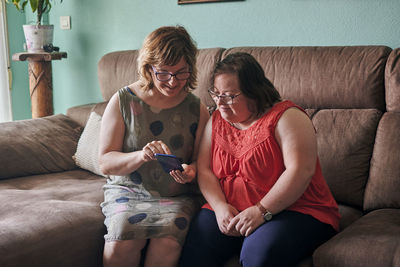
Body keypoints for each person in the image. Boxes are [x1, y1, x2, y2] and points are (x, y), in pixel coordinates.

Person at [179, 52, 340, 267]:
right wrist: (219, 207)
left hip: (294, 210)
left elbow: (300, 171)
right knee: (195, 248)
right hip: (231, 209)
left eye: (230, 96)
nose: (220, 103)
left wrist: (261, 211)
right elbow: (205, 169)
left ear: (254, 93)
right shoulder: (216, 120)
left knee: (259, 254)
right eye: (216, 94)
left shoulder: (288, 117)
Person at [99, 26, 209, 267]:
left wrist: (192, 171)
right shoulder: (124, 100)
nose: (173, 82)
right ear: (149, 68)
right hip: (128, 192)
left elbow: (204, 163)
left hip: (176, 195)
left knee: (168, 240)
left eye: (181, 73)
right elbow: (105, 161)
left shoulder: (197, 108)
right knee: (121, 239)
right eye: (164, 73)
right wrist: (141, 155)